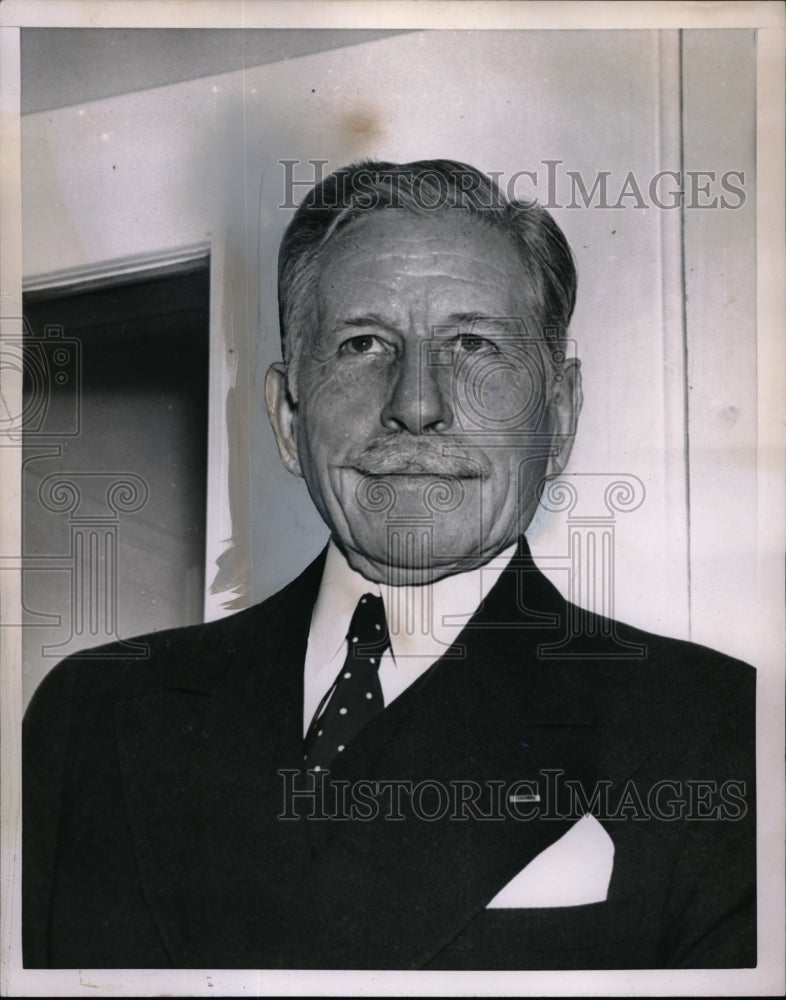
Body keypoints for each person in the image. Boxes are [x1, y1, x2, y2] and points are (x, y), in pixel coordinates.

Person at [23, 160, 755, 970]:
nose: (416, 403)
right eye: (363, 343)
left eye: (473, 345)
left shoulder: (719, 731)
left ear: (560, 415)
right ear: (287, 414)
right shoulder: (88, 714)